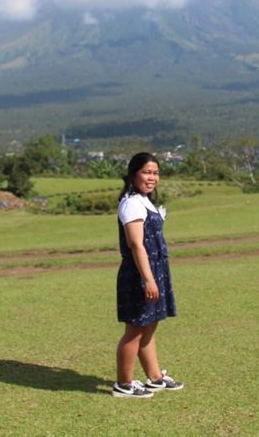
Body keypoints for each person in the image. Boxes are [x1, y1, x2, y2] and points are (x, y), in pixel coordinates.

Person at [112, 152, 183, 399]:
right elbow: (136, 245)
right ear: (133, 175)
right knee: (135, 329)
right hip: (139, 273)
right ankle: (124, 383)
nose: (152, 177)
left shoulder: (145, 201)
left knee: (149, 326)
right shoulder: (131, 203)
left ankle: (154, 377)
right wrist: (148, 278)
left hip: (155, 270)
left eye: (155, 173)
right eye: (146, 172)